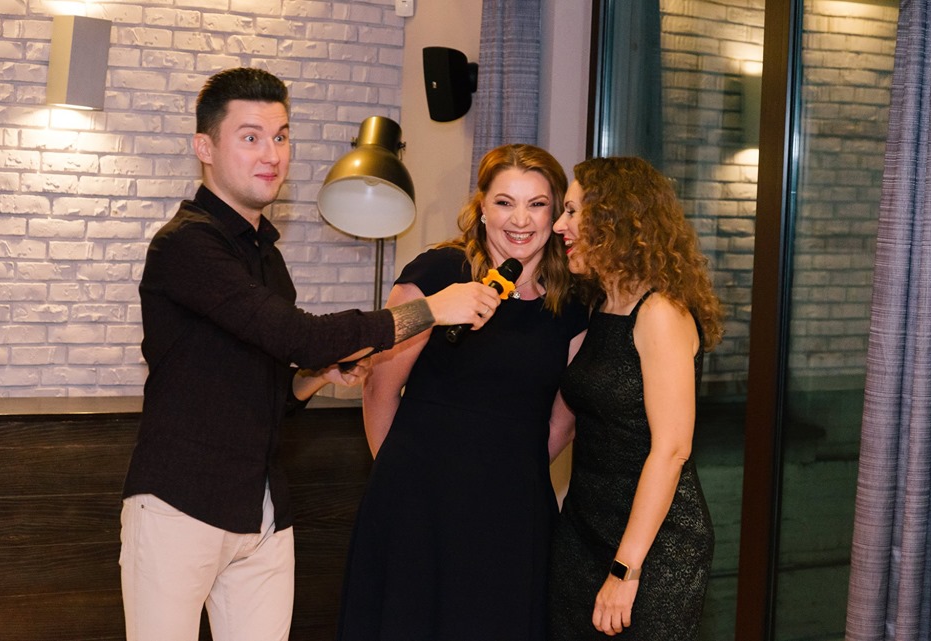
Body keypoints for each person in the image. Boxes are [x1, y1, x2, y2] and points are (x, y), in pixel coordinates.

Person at [119, 67, 502, 641]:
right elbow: (300, 336)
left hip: (263, 512)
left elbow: (273, 386)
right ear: (205, 147)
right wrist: (431, 309)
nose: (272, 154)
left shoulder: (267, 257)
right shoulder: (185, 244)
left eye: (280, 136)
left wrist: (316, 377)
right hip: (180, 505)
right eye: (250, 137)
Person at [335, 144, 588, 641]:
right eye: (504, 202)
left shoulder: (572, 302)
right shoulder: (438, 273)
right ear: (482, 207)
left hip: (513, 509)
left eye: (537, 204)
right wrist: (402, 482)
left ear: (556, 214)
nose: (520, 220)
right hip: (418, 502)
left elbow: (564, 418)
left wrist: (505, 474)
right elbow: (380, 388)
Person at [547, 156, 724, 640]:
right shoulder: (601, 305)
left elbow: (672, 450)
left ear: (614, 220)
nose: (559, 225)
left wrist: (625, 571)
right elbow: (569, 419)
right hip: (583, 530)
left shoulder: (660, 312)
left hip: (653, 548)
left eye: (572, 212)